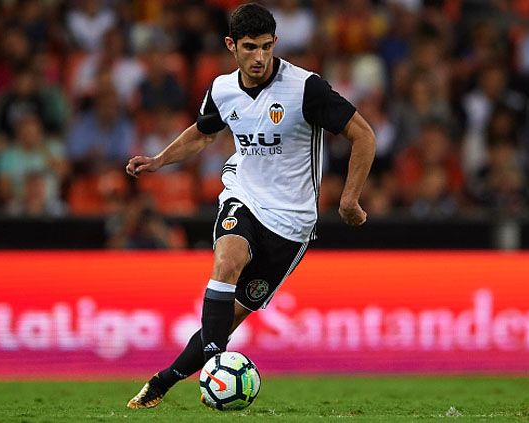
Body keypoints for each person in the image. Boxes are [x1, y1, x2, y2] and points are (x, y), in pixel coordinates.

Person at [124, 3, 375, 409]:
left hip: (291, 224)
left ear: (274, 43)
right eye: (249, 47)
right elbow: (203, 133)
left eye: (266, 47)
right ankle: (215, 364)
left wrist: (349, 198)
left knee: (227, 321)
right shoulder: (222, 89)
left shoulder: (305, 88)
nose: (259, 57)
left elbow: (363, 135)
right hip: (244, 195)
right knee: (227, 259)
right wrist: (158, 160)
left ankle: (164, 381)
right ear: (231, 46)